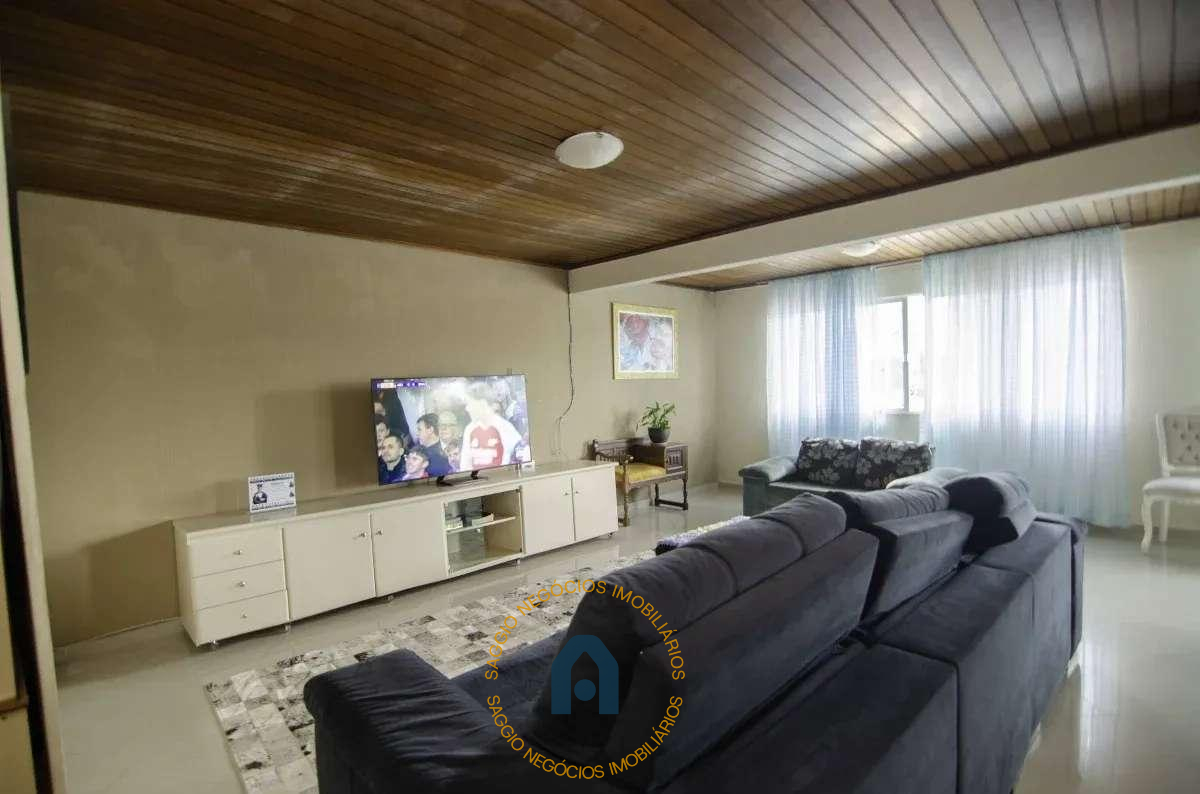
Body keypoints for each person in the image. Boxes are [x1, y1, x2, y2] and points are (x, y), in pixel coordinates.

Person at [459, 382, 524, 472]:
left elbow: (520, 456)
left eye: (469, 403)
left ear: (482, 403)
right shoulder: (469, 429)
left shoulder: (506, 427)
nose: (467, 409)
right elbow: (465, 465)